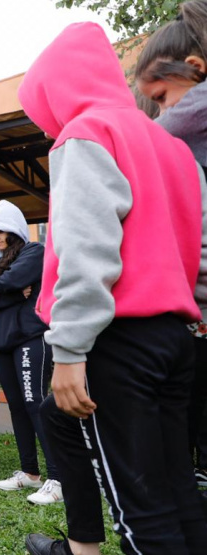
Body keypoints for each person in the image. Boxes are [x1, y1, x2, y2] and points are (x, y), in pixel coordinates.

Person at [19, 22, 207, 555]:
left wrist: (70, 350)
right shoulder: (173, 147)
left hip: (115, 340)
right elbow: (200, 253)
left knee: (139, 512)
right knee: (177, 492)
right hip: (176, 339)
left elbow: (87, 251)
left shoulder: (85, 135)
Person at [134, 0, 207, 492]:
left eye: (162, 96)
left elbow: (139, 141)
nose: (162, 111)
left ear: (197, 70)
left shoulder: (191, 114)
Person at [0, 200, 60, 505]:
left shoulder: (33, 251)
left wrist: (0, 288)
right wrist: (10, 294)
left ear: (14, 228)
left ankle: (57, 477)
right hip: (0, 343)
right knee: (17, 407)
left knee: (35, 402)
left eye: (0, 230)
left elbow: (11, 280)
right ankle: (30, 472)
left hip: (30, 338)